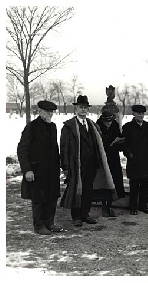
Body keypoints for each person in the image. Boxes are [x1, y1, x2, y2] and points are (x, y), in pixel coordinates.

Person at [60, 95, 115, 227]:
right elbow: (64, 148)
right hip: (76, 165)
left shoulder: (93, 126)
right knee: (76, 190)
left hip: (91, 164)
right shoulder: (69, 127)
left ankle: (85, 213)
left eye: (85, 108)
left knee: (88, 190)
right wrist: (66, 167)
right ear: (76, 109)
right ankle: (76, 216)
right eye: (80, 107)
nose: (83, 110)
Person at [17, 100, 63, 235]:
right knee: (38, 198)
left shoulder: (53, 127)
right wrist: (27, 170)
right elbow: (22, 149)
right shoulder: (32, 127)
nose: (50, 114)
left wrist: (58, 165)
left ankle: (49, 223)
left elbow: (54, 149)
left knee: (52, 197)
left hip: (51, 170)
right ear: (40, 112)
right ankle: (39, 225)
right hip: (37, 170)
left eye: (51, 112)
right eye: (47, 112)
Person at [122, 104, 148, 215]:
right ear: (134, 114)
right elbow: (124, 144)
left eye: (142, 114)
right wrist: (129, 154)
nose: (140, 116)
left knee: (145, 184)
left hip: (146, 161)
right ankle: (133, 207)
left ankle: (143, 206)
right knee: (134, 185)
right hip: (133, 160)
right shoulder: (127, 127)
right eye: (138, 114)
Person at [95, 110, 126, 217]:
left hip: (113, 157)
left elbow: (120, 138)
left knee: (114, 180)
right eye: (106, 122)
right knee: (104, 182)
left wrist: (119, 143)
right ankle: (104, 206)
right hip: (102, 158)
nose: (108, 123)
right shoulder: (97, 126)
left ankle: (110, 205)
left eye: (110, 121)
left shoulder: (115, 125)